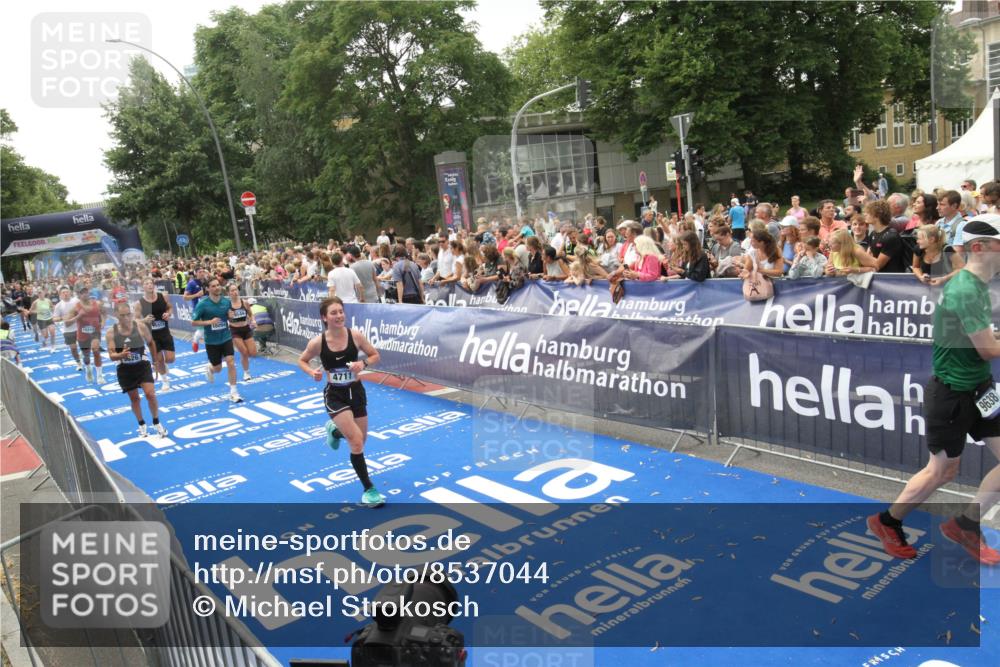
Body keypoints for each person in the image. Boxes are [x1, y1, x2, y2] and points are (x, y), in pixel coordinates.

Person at [869, 217, 1000, 565]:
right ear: (980, 248)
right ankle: (887, 521)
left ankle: (965, 525)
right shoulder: (966, 290)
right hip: (953, 395)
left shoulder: (974, 284)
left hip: (980, 389)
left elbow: (983, 342)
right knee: (942, 471)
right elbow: (988, 349)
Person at [297, 297, 385, 508]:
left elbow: (375, 355)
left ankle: (335, 432)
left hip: (356, 392)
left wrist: (363, 363)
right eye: (333, 313)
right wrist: (311, 372)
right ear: (324, 317)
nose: (339, 316)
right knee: (356, 441)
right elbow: (302, 360)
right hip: (335, 395)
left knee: (361, 439)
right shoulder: (318, 342)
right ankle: (369, 490)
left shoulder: (355, 335)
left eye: (341, 311)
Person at [106, 302, 167, 438]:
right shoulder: (111, 332)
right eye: (122, 315)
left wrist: (155, 361)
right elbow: (111, 355)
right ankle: (141, 424)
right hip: (125, 369)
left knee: (150, 394)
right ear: (116, 315)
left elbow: (151, 343)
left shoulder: (140, 326)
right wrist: (121, 355)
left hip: (142, 365)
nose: (126, 318)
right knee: (135, 399)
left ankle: (156, 422)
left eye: (128, 314)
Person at [191, 277, 242, 403]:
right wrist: (209, 322)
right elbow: (193, 322)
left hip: (226, 337)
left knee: (230, 362)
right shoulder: (203, 304)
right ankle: (210, 368)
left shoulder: (226, 302)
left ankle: (234, 392)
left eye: (218, 285)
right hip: (211, 341)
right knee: (218, 368)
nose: (217, 287)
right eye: (213, 286)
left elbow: (229, 317)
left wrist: (230, 316)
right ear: (207, 289)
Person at [135, 278, 175, 391]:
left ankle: (164, 366)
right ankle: (165, 381)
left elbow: (170, 307)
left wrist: (168, 314)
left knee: (170, 359)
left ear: (154, 285)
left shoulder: (163, 296)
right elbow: (135, 320)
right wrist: (144, 320)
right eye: (146, 283)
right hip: (152, 336)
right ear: (143, 287)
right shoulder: (139, 303)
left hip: (165, 332)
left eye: (151, 283)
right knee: (159, 360)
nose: (149, 285)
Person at [71, 286, 105, 384]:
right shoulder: (76, 306)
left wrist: (103, 322)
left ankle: (99, 376)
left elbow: (102, 313)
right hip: (83, 333)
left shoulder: (96, 303)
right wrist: (78, 316)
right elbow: (69, 319)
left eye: (86, 292)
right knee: (86, 357)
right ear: (79, 295)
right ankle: (88, 369)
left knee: (96, 351)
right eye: (82, 293)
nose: (85, 294)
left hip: (95, 332)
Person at [226, 283, 257, 382]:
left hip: (246, 329)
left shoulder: (245, 303)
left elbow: (251, 314)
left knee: (253, 353)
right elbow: (222, 318)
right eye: (232, 290)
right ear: (228, 293)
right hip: (235, 331)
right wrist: (228, 317)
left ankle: (245, 366)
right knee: (244, 352)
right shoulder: (227, 305)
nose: (235, 292)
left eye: (236, 290)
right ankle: (246, 372)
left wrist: (253, 321)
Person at [52, 286, 82, 371]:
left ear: (70, 293)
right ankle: (79, 363)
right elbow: (54, 318)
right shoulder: (59, 305)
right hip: (68, 330)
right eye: (63, 292)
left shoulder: (76, 301)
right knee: (73, 349)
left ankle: (82, 354)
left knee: (85, 345)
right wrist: (62, 318)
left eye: (67, 292)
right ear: (60, 295)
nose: (65, 294)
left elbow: (84, 309)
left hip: (79, 327)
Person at [184, 268, 207, 353]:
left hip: (209, 308)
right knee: (202, 330)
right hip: (198, 310)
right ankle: (195, 341)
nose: (202, 273)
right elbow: (185, 297)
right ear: (195, 273)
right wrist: (197, 295)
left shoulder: (206, 282)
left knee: (210, 329)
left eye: (203, 271)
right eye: (200, 272)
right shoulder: (192, 283)